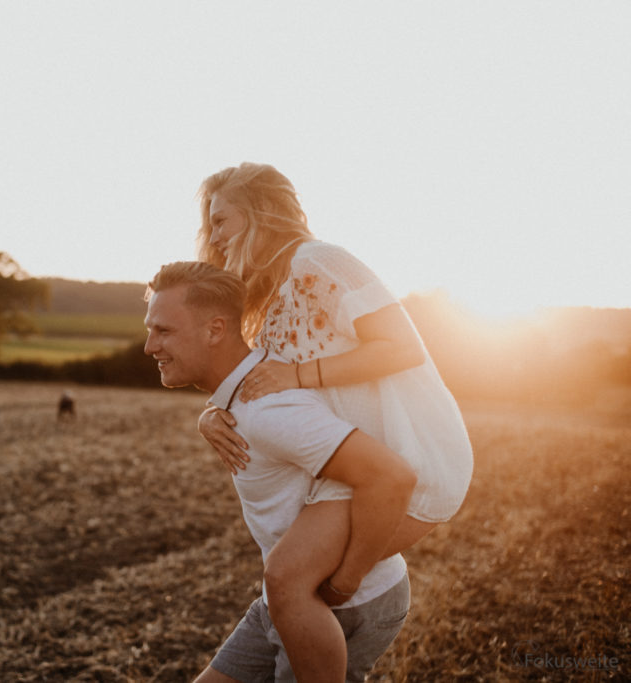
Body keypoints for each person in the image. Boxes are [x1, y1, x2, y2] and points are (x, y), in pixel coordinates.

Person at [196, 163, 473, 681]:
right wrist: (210, 414)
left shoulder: (320, 262)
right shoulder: (272, 297)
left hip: (406, 460)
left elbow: (402, 346)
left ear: (260, 213)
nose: (212, 237)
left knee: (294, 579)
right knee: (287, 588)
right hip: (350, 474)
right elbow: (257, 381)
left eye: (221, 220)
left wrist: (302, 372)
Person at [143, 261, 414, 682]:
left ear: (215, 330)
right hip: (283, 598)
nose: (149, 346)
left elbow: (391, 477)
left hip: (338, 603)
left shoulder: (269, 410)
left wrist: (344, 584)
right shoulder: (248, 394)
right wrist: (210, 413)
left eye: (163, 331)